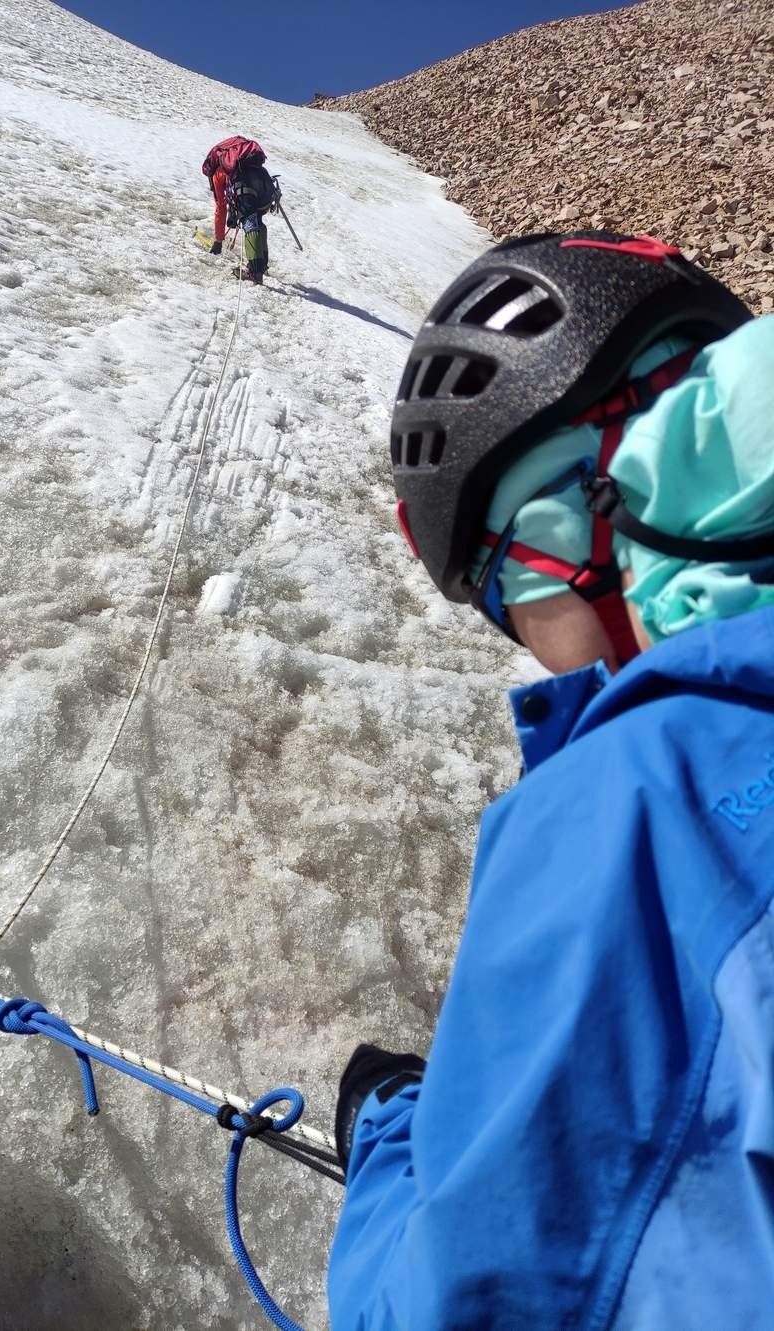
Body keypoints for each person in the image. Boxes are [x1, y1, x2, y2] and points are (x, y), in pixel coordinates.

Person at [328, 232, 774, 1329]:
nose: (528, 638)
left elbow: (463, 1304)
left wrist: (389, 1126)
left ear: (577, 530)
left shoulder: (644, 802)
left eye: (505, 583)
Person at [201, 135, 276, 285]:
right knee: (257, 222)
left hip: (245, 187)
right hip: (264, 182)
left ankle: (255, 272)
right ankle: (262, 265)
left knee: (249, 223)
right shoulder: (242, 159)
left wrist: (218, 240)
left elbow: (221, 207)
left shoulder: (217, 172)